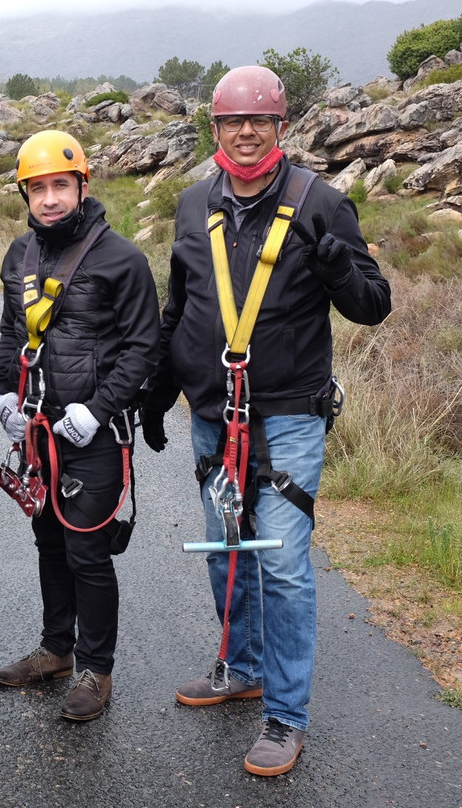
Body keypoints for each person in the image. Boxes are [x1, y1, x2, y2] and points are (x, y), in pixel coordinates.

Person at [140, 65, 391, 776]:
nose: (246, 133)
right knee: (226, 550)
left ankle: (285, 716)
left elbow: (373, 305)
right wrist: (159, 392)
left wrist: (340, 268)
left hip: (287, 418)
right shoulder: (193, 205)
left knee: (280, 565)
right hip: (212, 417)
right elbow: (180, 307)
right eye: (232, 121)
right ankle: (242, 667)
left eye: (260, 121)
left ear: (281, 126)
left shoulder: (322, 203)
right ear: (215, 128)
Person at [0, 130, 160, 722]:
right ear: (25, 194)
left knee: (86, 550)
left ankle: (96, 668)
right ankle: (57, 649)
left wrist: (101, 408)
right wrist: (2, 394)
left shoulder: (122, 258)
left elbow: (143, 347)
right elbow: (12, 333)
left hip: (93, 435)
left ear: (82, 186)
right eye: (37, 189)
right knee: (50, 542)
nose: (50, 199)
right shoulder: (19, 255)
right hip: (40, 433)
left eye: (60, 185)